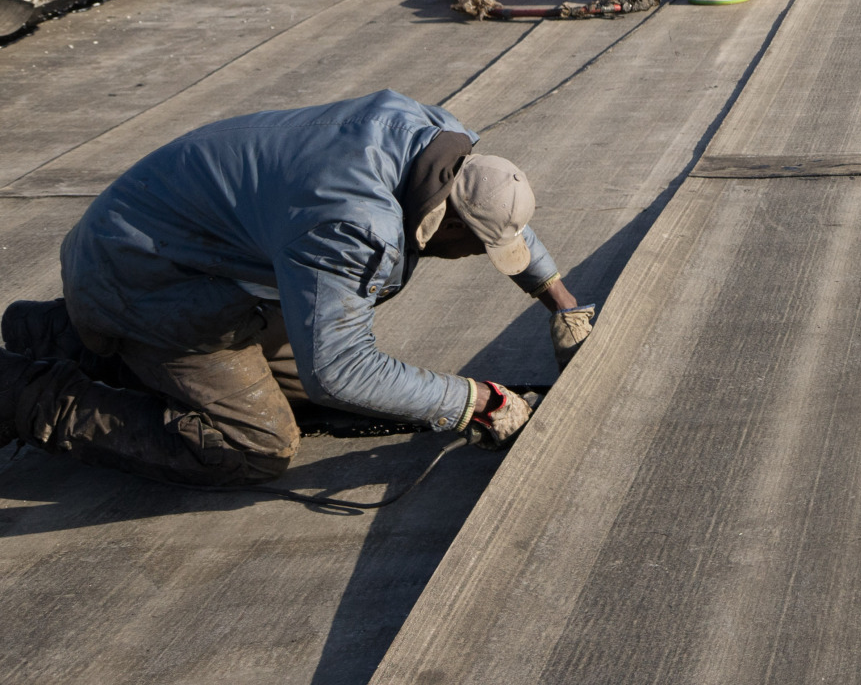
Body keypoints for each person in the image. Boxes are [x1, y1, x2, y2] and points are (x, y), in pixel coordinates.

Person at [0, 91, 592, 486]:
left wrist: (561, 303)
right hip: (142, 275)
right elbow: (338, 368)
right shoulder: (355, 224)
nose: (474, 259)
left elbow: (496, 210)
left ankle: (59, 333)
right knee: (259, 443)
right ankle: (28, 393)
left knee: (313, 396)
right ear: (451, 223)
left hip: (157, 243)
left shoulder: (437, 143)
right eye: (476, 249)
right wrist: (473, 401)